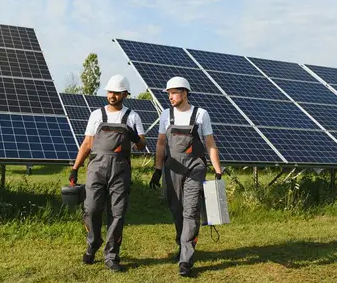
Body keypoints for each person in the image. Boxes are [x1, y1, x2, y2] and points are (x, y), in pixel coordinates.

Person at [69, 74, 146, 272]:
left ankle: (112, 255)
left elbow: (142, 145)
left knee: (117, 213)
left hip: (121, 170)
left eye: (117, 93)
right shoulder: (96, 115)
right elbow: (87, 143)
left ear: (125, 94)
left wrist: (134, 136)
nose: (112, 95)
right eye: (110, 92)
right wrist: (75, 168)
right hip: (96, 168)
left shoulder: (133, 117)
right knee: (92, 209)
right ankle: (93, 242)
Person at [149, 76, 222, 277]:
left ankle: (186, 261)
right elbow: (161, 144)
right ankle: (182, 244)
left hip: (194, 168)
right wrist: (157, 169)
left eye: (173, 93)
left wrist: (217, 169)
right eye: (169, 93)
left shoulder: (201, 115)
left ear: (184, 93)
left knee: (191, 210)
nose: (170, 97)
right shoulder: (166, 115)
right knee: (177, 209)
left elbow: (210, 144)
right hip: (171, 169)